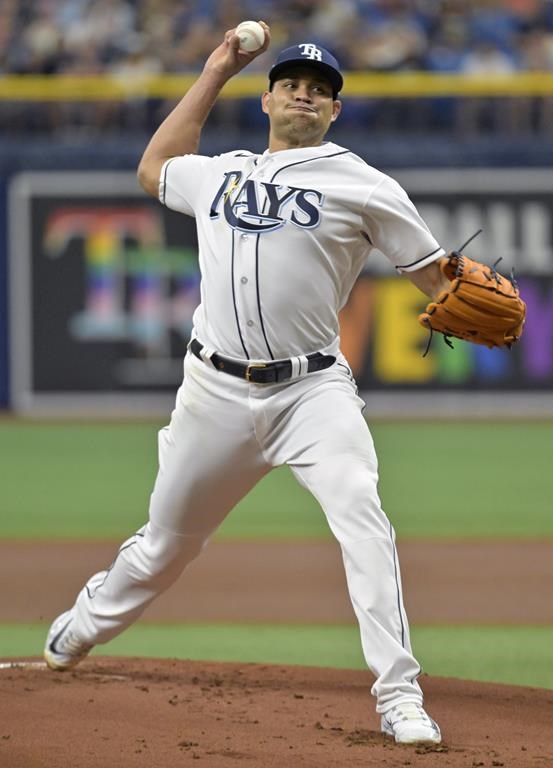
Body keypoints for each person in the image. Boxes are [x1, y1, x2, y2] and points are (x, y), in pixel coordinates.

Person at [44, 22, 449, 746]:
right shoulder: (219, 172)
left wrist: (467, 293)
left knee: (361, 512)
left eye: (319, 91)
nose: (304, 95)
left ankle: (399, 697)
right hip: (214, 396)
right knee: (164, 546)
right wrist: (213, 70)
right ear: (266, 100)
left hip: (311, 393)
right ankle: (81, 626)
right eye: (292, 85)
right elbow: (154, 168)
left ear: (334, 112)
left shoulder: (364, 185)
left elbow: (433, 274)